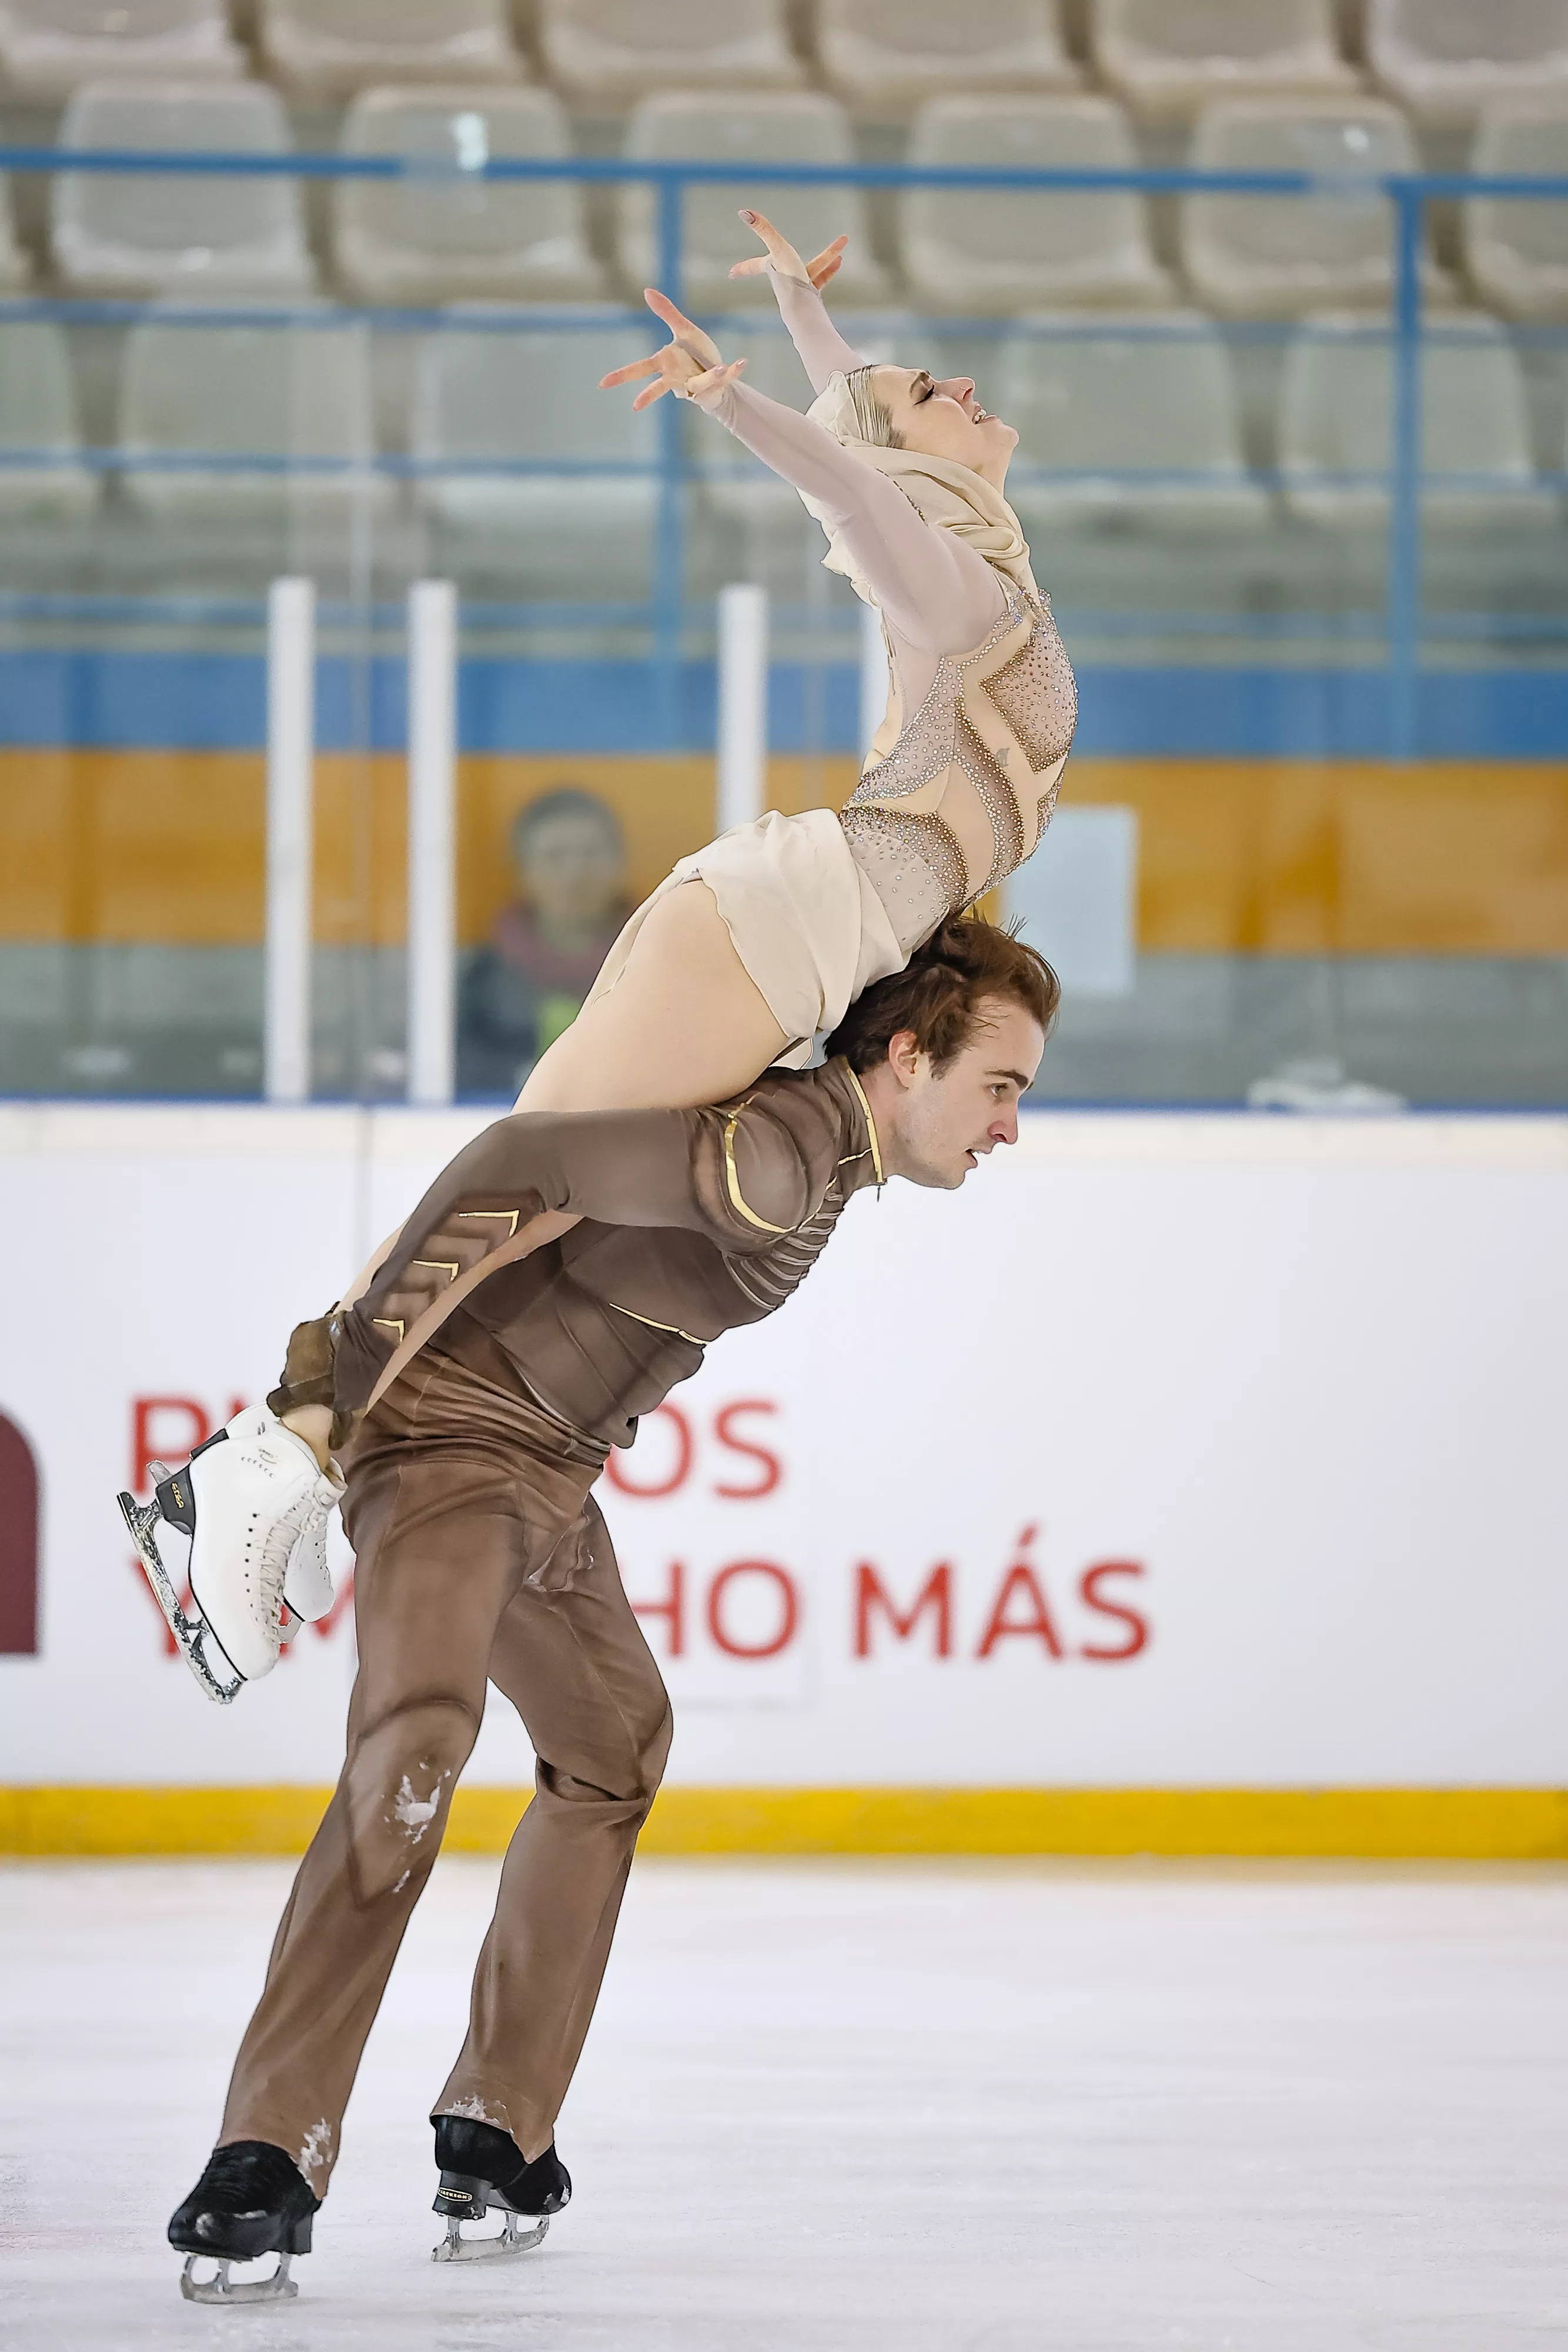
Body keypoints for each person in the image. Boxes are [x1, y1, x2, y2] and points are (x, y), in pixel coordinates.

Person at [153, 918, 1059, 2301]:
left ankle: (497, 2123)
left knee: (616, 1740)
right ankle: (264, 2153)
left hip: (549, 1478)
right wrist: (323, 1390)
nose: (1009, 1127)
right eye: (999, 1086)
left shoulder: (824, 1150)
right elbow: (524, 1164)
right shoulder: (779, 1159)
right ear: (905, 1057)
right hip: (457, 1454)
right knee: (415, 1751)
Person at [457, 787, 631, 1100]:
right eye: (555, 856)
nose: (575, 874)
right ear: (523, 871)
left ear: (619, 862)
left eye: (591, 853)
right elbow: (464, 1071)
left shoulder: (654, 961)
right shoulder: (486, 978)